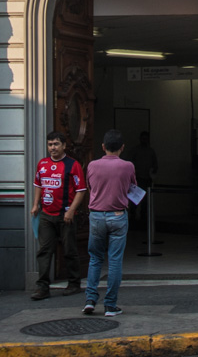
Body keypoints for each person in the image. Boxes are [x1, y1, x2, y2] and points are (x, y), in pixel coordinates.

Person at [83, 129, 135, 318]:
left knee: (95, 258)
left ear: (103, 147)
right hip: (118, 215)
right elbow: (131, 188)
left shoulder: (92, 165)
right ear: (122, 147)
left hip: (96, 215)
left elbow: (90, 187)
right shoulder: (128, 166)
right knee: (114, 261)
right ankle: (110, 305)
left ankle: (90, 300)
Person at [31, 130, 87, 300]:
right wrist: (35, 205)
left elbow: (81, 190)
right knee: (44, 251)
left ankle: (74, 283)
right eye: (50, 144)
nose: (52, 148)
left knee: (69, 250)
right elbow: (38, 185)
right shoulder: (42, 164)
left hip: (66, 215)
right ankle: (42, 287)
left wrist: (71, 211)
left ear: (64, 145)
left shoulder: (73, 165)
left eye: (56, 144)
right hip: (46, 215)